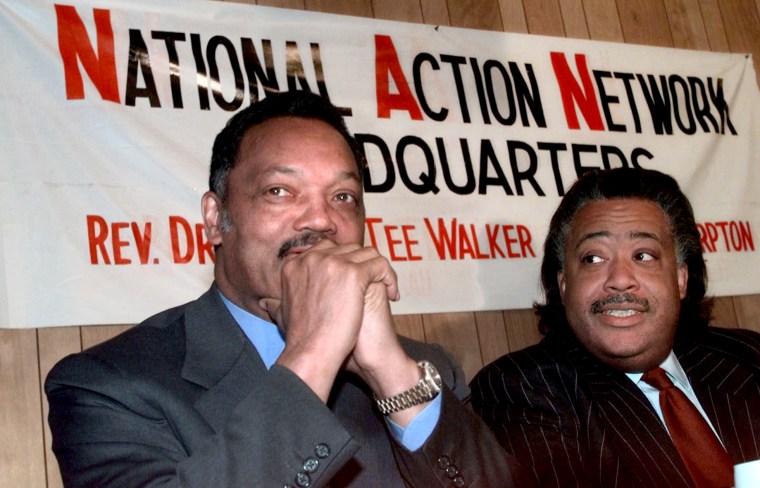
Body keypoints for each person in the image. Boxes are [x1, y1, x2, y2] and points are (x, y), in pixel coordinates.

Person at [45, 90, 522, 487]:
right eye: (280, 191)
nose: (321, 220)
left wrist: (389, 372)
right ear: (216, 218)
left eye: (343, 197)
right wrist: (314, 351)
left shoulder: (424, 370)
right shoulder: (108, 386)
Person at [471, 167, 760, 488]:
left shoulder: (749, 357)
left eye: (644, 255)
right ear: (564, 285)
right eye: (593, 259)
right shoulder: (522, 389)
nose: (620, 279)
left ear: (680, 279)